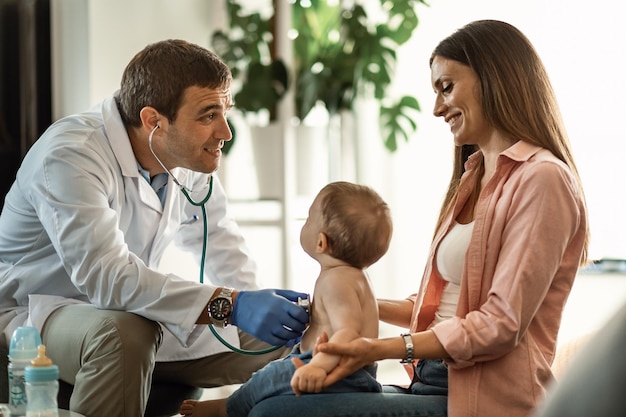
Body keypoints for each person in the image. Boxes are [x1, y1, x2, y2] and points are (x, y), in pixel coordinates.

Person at [247, 19, 590, 417]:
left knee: (275, 413)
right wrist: (336, 301)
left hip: (484, 400)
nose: (437, 108)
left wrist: (381, 348)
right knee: (276, 397)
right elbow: (447, 307)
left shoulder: (543, 178)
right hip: (432, 382)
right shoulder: (473, 175)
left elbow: (500, 324)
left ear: (495, 77)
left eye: (447, 87)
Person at [0, 39, 310, 417]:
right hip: (32, 314)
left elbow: (223, 246)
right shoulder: (72, 154)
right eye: (208, 115)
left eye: (225, 112)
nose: (225, 132)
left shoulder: (183, 157)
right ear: (153, 121)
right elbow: (107, 279)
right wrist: (231, 305)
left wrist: (259, 303)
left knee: (288, 336)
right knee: (124, 335)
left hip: (130, 311)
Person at [179, 181, 393, 417]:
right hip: (353, 372)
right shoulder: (356, 277)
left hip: (337, 372)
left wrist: (318, 367)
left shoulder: (336, 282)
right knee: (275, 372)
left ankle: (225, 409)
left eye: (310, 218)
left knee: (267, 377)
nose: (306, 222)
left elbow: (347, 333)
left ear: (321, 242)